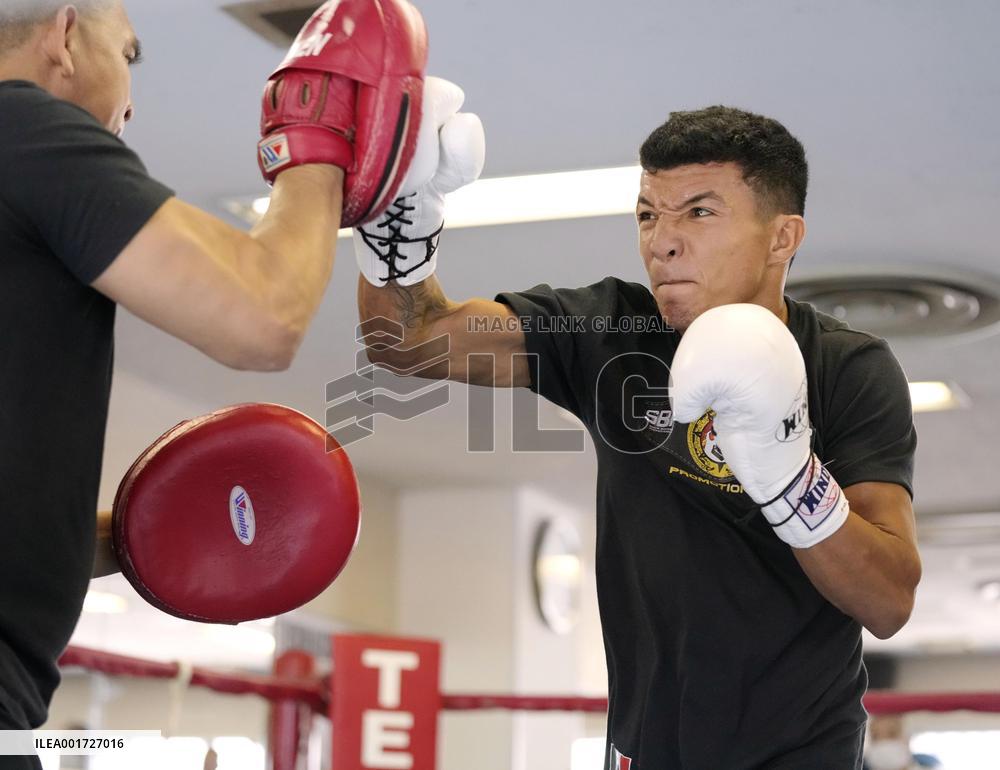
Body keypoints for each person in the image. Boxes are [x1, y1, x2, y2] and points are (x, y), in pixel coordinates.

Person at [355, 81, 922, 768]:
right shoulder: (611, 330)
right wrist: (398, 221)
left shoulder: (847, 367)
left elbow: (889, 602)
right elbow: (406, 341)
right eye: (648, 215)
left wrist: (789, 479)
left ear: (783, 237)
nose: (663, 242)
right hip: (645, 750)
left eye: (699, 212)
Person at [0, 0, 423, 762]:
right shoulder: (23, 130)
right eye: (127, 54)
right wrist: (316, 147)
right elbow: (265, 316)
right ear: (64, 36)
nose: (131, 101)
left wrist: (144, 532)